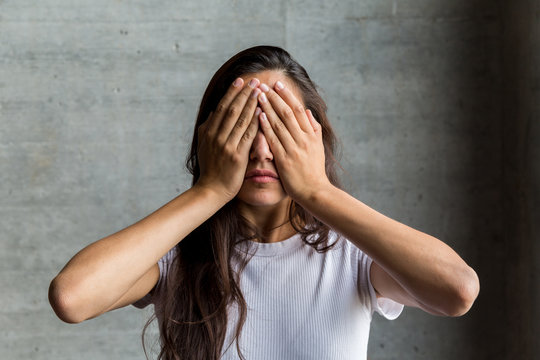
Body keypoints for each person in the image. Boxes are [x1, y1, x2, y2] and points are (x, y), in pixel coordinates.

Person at [48, 45, 480, 360]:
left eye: (278, 127)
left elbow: (457, 291)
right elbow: (71, 298)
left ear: (313, 138)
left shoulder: (352, 254)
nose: (262, 151)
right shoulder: (175, 256)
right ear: (211, 138)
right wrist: (210, 190)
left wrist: (317, 191)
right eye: (242, 126)